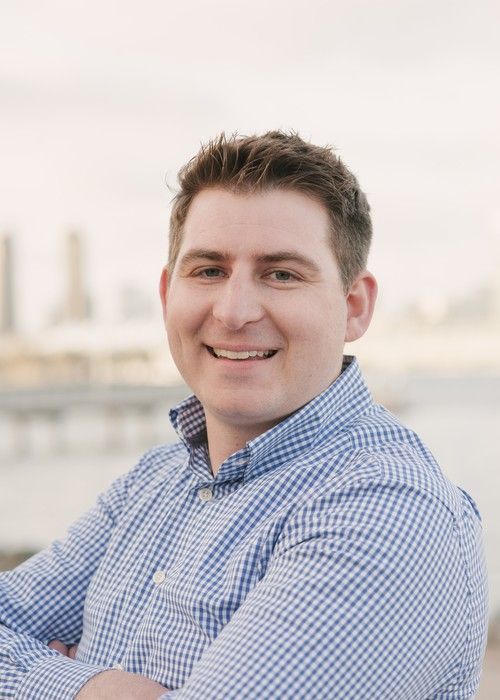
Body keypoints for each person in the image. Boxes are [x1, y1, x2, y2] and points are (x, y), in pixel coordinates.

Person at [0, 132, 488, 699]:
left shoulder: (388, 509)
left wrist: (53, 680)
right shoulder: (153, 482)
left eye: (281, 274)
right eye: (209, 271)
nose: (234, 312)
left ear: (354, 307)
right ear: (167, 294)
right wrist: (98, 689)